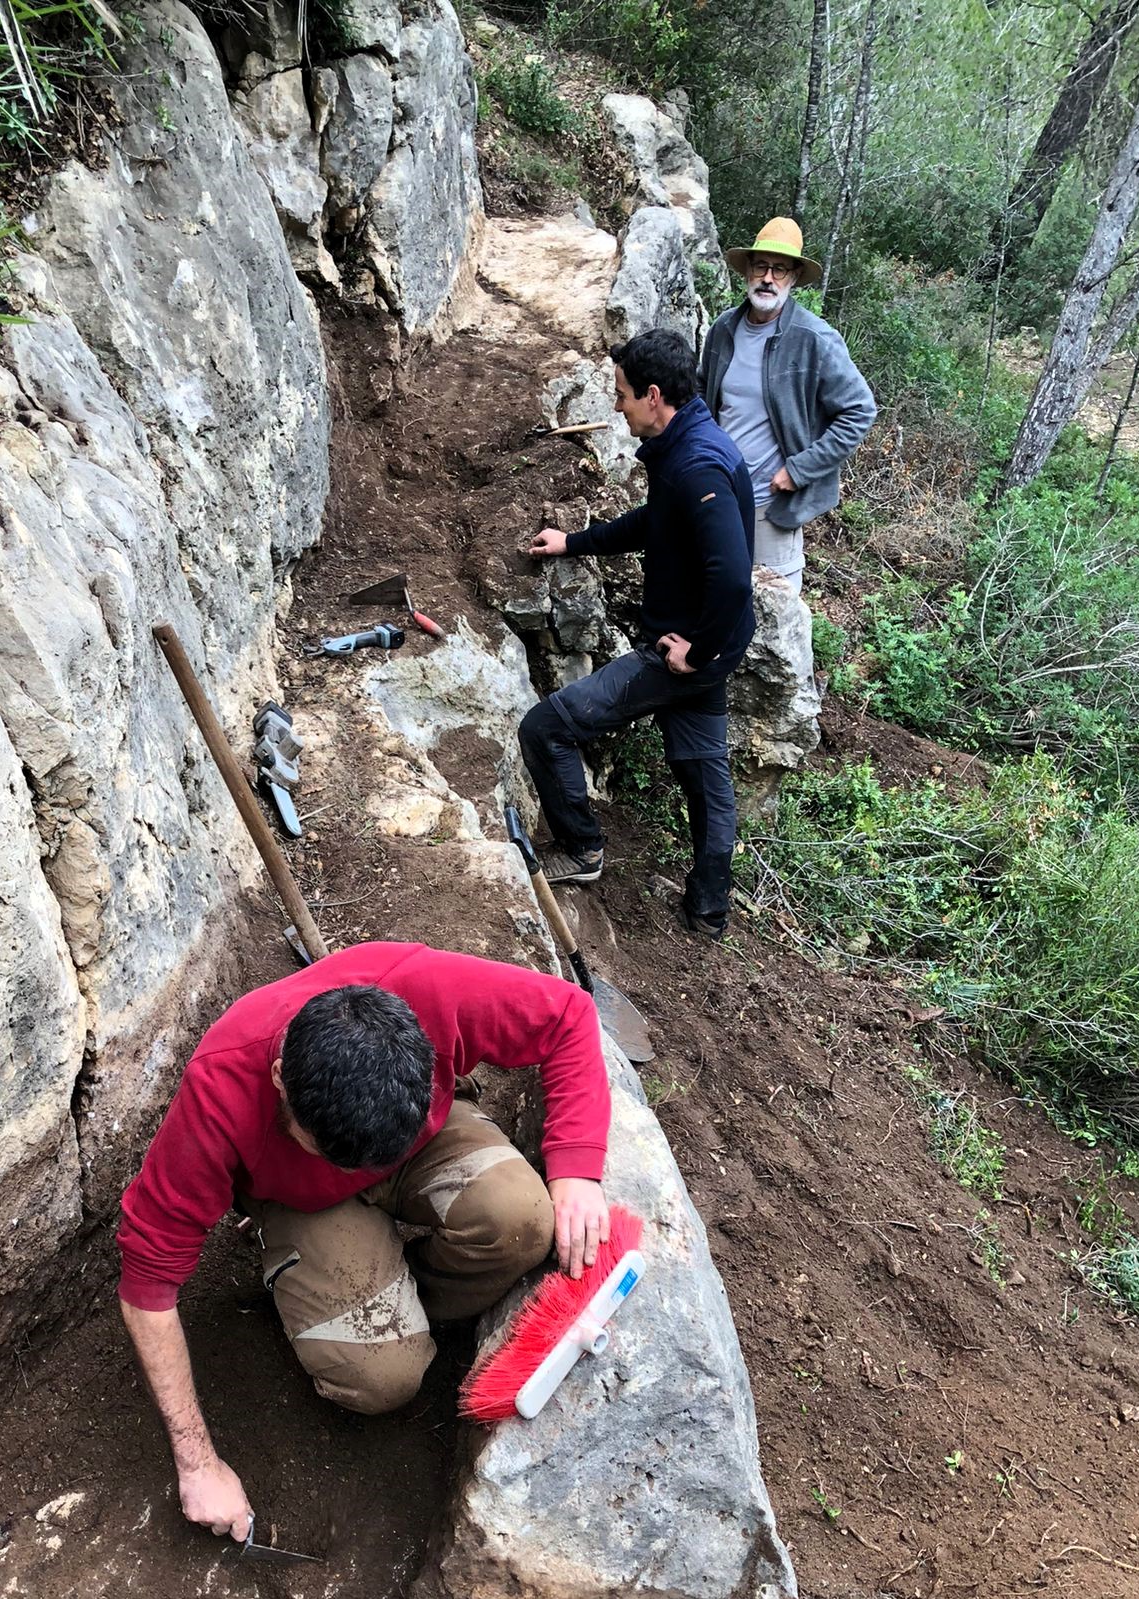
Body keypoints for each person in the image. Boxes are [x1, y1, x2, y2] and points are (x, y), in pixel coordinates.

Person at [116, 941, 612, 1538]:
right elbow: (147, 1284)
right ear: (279, 1080)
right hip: (303, 1199)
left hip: (417, 1140)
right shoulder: (220, 1089)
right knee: (383, 1379)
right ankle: (337, 1291)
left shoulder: (427, 988)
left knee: (522, 1221)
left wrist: (577, 1166)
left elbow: (568, 1013)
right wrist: (197, 1465)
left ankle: (400, 1296)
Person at [521, 326, 754, 939]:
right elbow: (657, 523)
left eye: (622, 394)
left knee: (545, 728)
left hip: (683, 652)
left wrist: (696, 653)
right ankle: (709, 910)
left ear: (654, 396)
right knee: (704, 774)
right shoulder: (691, 446)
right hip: (712, 647)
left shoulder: (697, 464)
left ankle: (582, 849)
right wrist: (574, 542)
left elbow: (733, 578)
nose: (617, 405)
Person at [699, 216, 876, 593]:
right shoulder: (723, 329)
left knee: (775, 609)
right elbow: (702, 396)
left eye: (779, 269)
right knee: (715, 596)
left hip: (771, 505)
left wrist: (799, 470)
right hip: (718, 495)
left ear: (793, 278)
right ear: (747, 271)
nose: (768, 278)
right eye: (761, 266)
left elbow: (860, 410)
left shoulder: (814, 338)